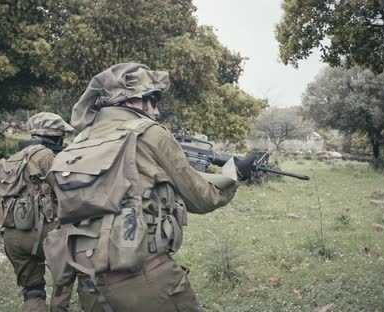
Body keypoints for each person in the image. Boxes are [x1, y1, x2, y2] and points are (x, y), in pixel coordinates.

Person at [50, 63, 255, 311]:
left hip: (89, 285)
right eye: (152, 100)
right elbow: (203, 198)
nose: (156, 112)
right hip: (145, 276)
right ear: (131, 100)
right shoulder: (149, 133)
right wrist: (234, 173)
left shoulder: (78, 143)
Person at [0, 113, 75, 312]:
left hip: (12, 235)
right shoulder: (46, 155)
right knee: (64, 278)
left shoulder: (14, 158)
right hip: (42, 235)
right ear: (56, 137)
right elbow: (65, 191)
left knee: (33, 290)